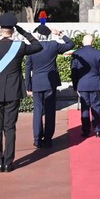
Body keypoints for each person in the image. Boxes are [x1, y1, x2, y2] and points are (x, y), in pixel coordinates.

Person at [0, 12, 43, 173]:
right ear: (13, 30)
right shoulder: (20, 46)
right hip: (13, 92)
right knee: (10, 128)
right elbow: (38, 46)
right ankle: (9, 163)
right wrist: (24, 32)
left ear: (0, 29)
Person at [25, 17, 74, 148]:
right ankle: (47, 139)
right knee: (50, 111)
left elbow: (27, 68)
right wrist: (61, 34)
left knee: (38, 111)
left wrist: (28, 86)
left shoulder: (32, 48)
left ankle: (37, 138)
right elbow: (70, 44)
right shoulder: (53, 45)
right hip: (50, 83)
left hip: (36, 83)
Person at [71, 34, 100, 138]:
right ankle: (97, 129)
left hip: (82, 84)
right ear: (92, 42)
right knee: (96, 107)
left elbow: (74, 72)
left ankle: (85, 130)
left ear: (82, 42)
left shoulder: (76, 54)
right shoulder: (98, 53)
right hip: (95, 84)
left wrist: (75, 86)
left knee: (85, 108)